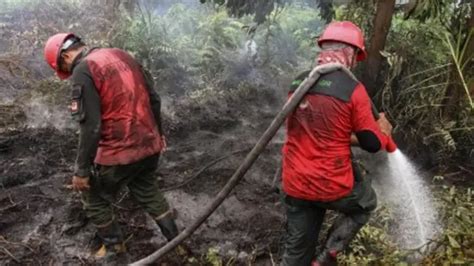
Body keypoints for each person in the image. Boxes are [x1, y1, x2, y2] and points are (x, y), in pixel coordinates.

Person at [43, 33, 179, 259]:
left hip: (119, 152)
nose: (67, 74)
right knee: (147, 189)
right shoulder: (122, 55)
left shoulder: (83, 69)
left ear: (66, 55)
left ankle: (116, 254)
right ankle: (179, 244)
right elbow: (154, 99)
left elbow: (91, 127)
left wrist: (82, 171)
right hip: (148, 145)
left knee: (93, 198)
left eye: (63, 67)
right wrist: (159, 135)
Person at [281, 21, 394, 266]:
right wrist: (382, 130)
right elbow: (373, 144)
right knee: (366, 204)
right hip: (330, 184)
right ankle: (327, 256)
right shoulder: (353, 89)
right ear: (350, 54)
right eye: (356, 55)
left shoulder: (297, 83)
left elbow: (311, 128)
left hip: (295, 183)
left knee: (296, 253)